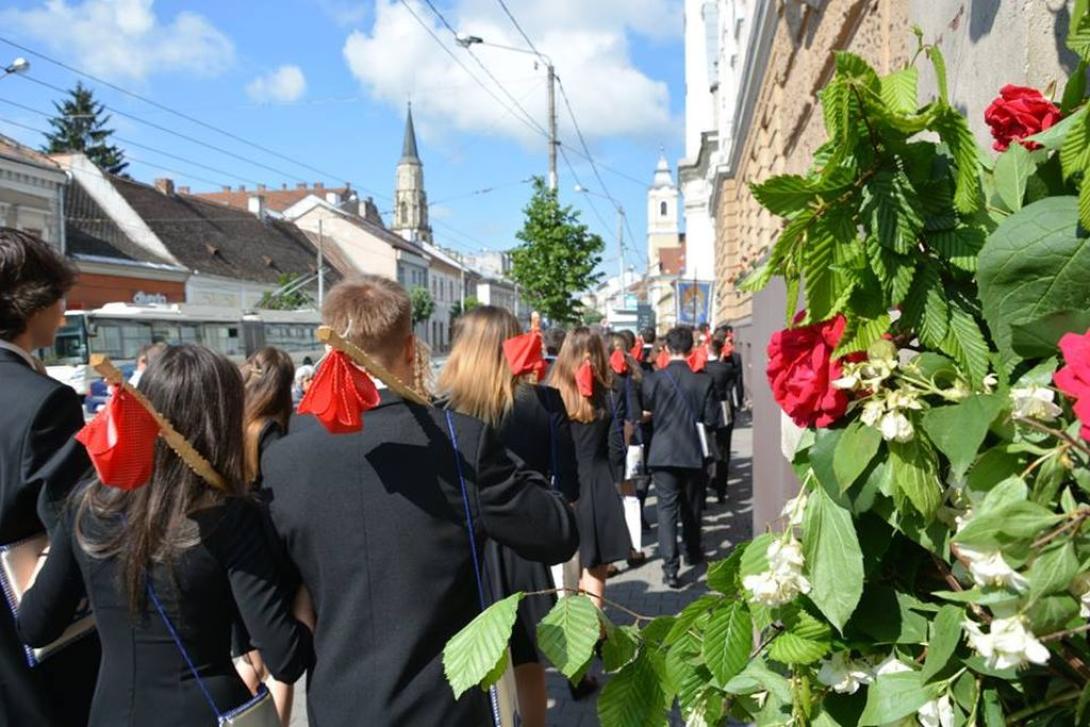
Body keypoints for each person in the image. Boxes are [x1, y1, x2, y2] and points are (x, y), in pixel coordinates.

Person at [261, 276, 579, 726]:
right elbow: (558, 532)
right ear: (412, 348)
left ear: (333, 353)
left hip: (340, 706)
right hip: (445, 708)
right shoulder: (458, 440)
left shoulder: (284, 457)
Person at [16, 344, 314, 726]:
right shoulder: (228, 516)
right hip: (207, 709)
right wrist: (304, 603)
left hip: (114, 710)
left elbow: (36, 626)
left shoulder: (89, 506)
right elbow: (285, 658)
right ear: (221, 421)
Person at [438, 306, 583, 725]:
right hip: (525, 543)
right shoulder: (544, 402)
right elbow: (568, 484)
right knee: (526, 655)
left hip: (464, 546)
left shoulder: (442, 410)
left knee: (473, 659)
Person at [0, 227, 98, 726]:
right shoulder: (45, 402)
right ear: (32, 305)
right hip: (31, 663)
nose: (64, 309)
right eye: (60, 297)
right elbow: (73, 533)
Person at [548, 327, 629, 611]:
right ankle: (597, 629)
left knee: (565, 571)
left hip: (560, 487)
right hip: (599, 483)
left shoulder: (549, 392)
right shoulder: (609, 391)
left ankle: (570, 629)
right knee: (596, 569)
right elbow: (617, 447)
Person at [235, 346, 297, 721]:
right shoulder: (271, 432)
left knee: (248, 658)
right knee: (278, 667)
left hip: (239, 554)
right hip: (271, 555)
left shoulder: (234, 426)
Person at [642, 326, 717, 589]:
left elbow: (647, 410)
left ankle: (669, 569)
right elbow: (711, 419)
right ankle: (693, 552)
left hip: (662, 453)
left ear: (667, 349)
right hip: (692, 452)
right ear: (689, 349)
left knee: (666, 510)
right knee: (692, 505)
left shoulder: (654, 379)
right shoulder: (703, 380)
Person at [705, 333, 736, 504]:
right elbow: (731, 386)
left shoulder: (702, 368)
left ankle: (707, 484)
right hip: (724, 409)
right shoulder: (726, 369)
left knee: (707, 448)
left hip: (707, 410)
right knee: (723, 450)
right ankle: (721, 492)